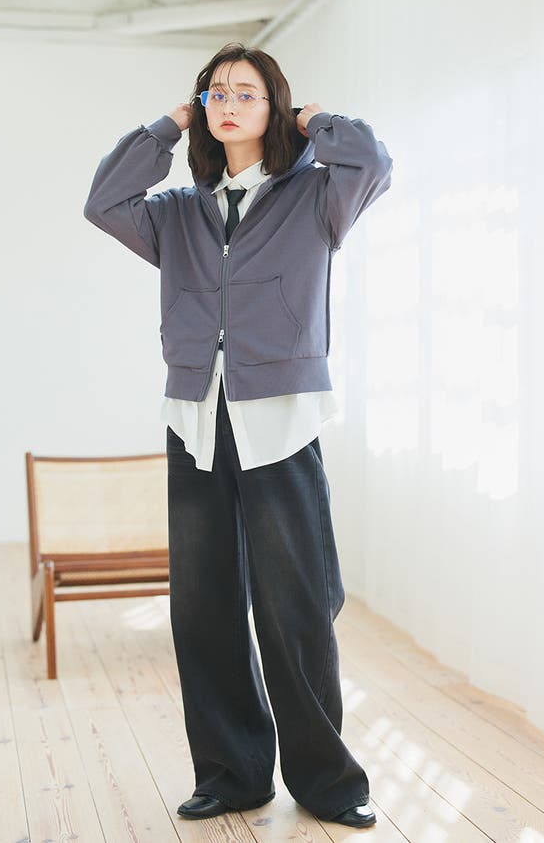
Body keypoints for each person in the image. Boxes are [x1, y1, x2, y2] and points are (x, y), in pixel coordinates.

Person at [83, 42, 392, 828]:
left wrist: (313, 119)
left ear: (273, 107)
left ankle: (328, 784)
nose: (227, 103)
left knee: (296, 609)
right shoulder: (177, 212)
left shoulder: (315, 197)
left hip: (280, 419)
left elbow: (373, 162)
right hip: (195, 418)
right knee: (204, 607)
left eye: (246, 93)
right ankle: (231, 773)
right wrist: (167, 125)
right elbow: (104, 201)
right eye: (214, 92)